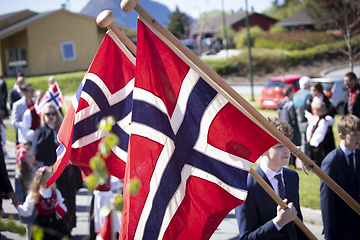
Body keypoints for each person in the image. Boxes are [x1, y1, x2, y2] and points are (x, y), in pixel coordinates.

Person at [235, 118, 308, 240]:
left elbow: (297, 224)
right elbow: (247, 237)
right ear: (262, 150)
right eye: (279, 146)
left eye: (288, 144)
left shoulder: (292, 177)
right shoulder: (248, 185)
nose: (286, 150)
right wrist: (277, 223)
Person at [32, 102, 83, 234]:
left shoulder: (63, 128)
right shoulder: (40, 132)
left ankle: (68, 227)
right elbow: (37, 152)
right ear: (43, 116)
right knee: (56, 200)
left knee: (69, 199)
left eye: (53, 113)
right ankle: (58, 230)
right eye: (48, 114)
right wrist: (51, 135)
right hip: (52, 173)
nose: (51, 116)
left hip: (67, 172)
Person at [320, 114, 360, 240]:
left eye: (359, 133)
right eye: (353, 134)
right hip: (342, 228)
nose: (358, 138)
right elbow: (327, 202)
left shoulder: (358, 155)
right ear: (341, 135)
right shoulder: (331, 162)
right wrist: (330, 235)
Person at [17, 166, 68, 240]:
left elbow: (63, 208)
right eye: (48, 178)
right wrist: (18, 207)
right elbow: (27, 210)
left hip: (54, 224)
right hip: (40, 224)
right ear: (41, 180)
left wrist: (60, 210)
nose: (51, 180)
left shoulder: (55, 192)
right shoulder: (35, 194)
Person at [14, 144, 41, 237]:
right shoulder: (20, 174)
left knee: (40, 231)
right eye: (29, 156)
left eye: (33, 155)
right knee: (31, 232)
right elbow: (19, 193)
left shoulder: (37, 166)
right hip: (30, 206)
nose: (32, 157)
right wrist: (21, 208)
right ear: (23, 158)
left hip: (39, 204)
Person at [89, 175, 122, 240]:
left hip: (108, 197)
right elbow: (93, 185)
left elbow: (110, 186)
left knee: (111, 224)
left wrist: (121, 182)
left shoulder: (108, 170)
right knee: (100, 225)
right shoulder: (93, 170)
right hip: (99, 198)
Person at [309, 82, 336, 156]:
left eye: (314, 90)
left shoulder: (326, 99)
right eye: (311, 90)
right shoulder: (312, 99)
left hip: (324, 125)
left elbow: (331, 112)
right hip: (315, 123)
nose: (313, 92)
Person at [277, 84, 301, 167]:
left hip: (282, 127)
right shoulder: (290, 104)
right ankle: (292, 164)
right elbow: (293, 118)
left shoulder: (280, 103)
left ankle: (289, 164)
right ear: (290, 92)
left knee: (285, 146)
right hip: (291, 128)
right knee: (292, 146)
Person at [306, 102, 335, 167]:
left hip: (318, 143)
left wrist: (314, 141)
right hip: (312, 141)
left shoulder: (323, 121)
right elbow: (310, 128)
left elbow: (320, 133)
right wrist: (308, 137)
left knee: (319, 156)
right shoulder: (315, 118)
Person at [293, 76, 312, 157]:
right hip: (308, 121)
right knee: (307, 143)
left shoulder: (295, 95)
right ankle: (306, 161)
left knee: (303, 142)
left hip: (298, 121)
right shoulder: (309, 94)